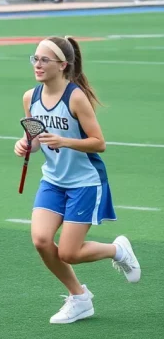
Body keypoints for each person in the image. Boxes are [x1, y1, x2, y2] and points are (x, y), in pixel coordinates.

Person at [14, 36, 140, 324]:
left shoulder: (75, 97)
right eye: (35, 58)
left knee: (70, 252)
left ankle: (117, 250)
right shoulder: (30, 97)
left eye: (45, 59)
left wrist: (65, 141)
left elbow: (99, 143)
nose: (38, 64)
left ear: (63, 65)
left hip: (84, 181)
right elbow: (33, 138)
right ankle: (79, 297)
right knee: (42, 240)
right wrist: (24, 145)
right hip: (53, 180)